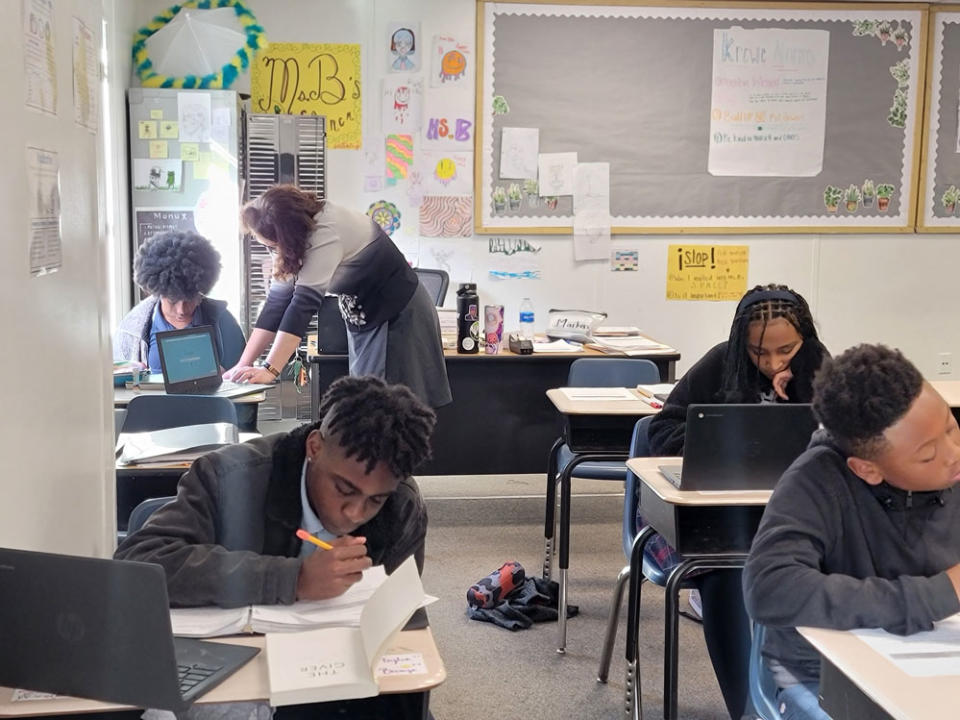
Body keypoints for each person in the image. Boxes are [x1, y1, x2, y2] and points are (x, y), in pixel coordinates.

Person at [115, 375, 436, 719]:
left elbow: (401, 623)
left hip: (327, 681)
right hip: (225, 669)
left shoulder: (401, 508)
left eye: (374, 500)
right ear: (314, 447)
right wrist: (292, 579)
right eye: (344, 489)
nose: (355, 513)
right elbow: (137, 565)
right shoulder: (229, 477)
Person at [744, 345, 960, 720]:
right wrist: (940, 593)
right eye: (927, 455)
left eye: (951, 427)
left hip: (938, 662)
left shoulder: (952, 466)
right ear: (867, 470)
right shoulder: (816, 481)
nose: (953, 452)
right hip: (824, 675)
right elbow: (770, 587)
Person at [644, 283, 829, 720]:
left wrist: (802, 389)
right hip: (715, 521)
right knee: (730, 571)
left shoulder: (820, 367)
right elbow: (661, 431)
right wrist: (718, 440)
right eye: (758, 353)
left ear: (805, 339)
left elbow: (851, 441)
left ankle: (812, 699)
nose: (771, 362)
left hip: (794, 519)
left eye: (786, 350)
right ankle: (747, 709)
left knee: (827, 568)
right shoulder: (718, 364)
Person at [224, 185, 451, 409]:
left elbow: (301, 307)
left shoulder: (325, 232)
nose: (272, 253)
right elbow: (276, 304)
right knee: (366, 400)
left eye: (273, 246)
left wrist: (270, 369)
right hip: (365, 313)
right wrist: (243, 366)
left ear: (286, 236)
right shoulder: (295, 237)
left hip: (397, 313)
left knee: (388, 406)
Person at [113, 230, 245, 372]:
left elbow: (243, 378)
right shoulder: (131, 329)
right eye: (172, 301)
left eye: (189, 300)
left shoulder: (223, 320)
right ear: (158, 292)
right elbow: (120, 386)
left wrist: (226, 377)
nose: (181, 310)